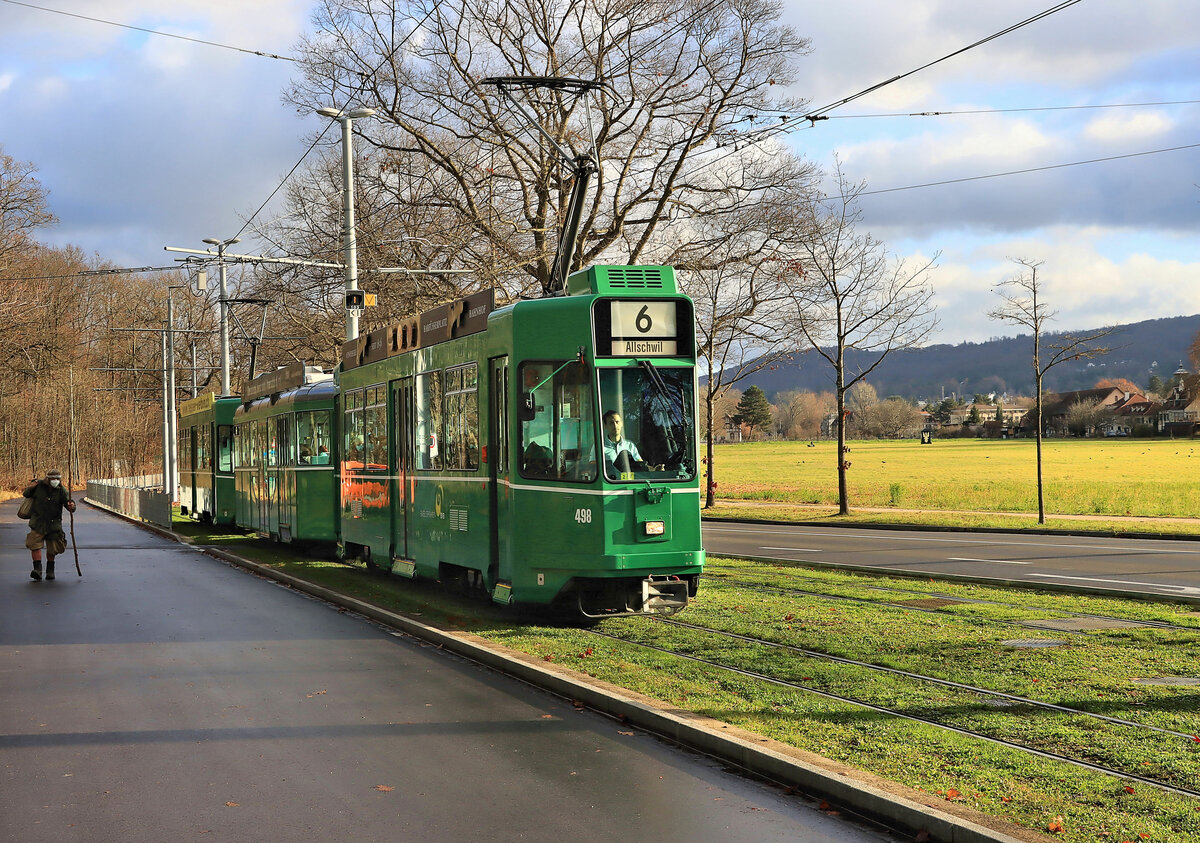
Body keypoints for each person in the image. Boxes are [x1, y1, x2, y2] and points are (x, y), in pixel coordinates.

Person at [22, 469, 76, 581]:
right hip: (38, 522)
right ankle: (37, 570)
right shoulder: (38, 485)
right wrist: (31, 486)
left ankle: (50, 571)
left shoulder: (61, 490)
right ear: (48, 478)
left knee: (53, 548)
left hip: (54, 524)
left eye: (57, 479)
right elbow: (26, 494)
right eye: (53, 479)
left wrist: (72, 505)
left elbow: (69, 504)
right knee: (34, 545)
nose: (55, 481)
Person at [602, 411, 663, 475]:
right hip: (610, 483)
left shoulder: (630, 445)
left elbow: (640, 466)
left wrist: (654, 469)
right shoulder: (599, 446)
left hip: (630, 482)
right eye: (611, 423)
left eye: (617, 422)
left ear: (621, 424)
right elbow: (593, 469)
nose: (615, 425)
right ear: (605, 426)